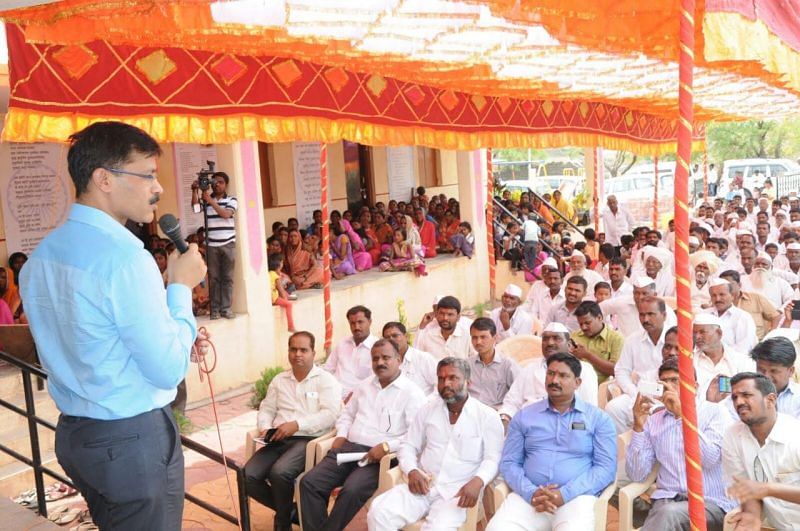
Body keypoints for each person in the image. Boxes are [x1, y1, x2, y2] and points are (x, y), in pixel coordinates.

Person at [20, 121, 207, 530]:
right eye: (147, 175)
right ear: (103, 179)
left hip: (79, 436)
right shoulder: (125, 259)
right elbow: (167, 369)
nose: (158, 188)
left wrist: (175, 321)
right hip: (130, 441)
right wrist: (180, 288)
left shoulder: (41, 257)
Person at [299, 340, 426, 531]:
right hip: (348, 449)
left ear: (399, 359)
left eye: (386, 358)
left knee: (351, 490)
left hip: (379, 458)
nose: (380, 362)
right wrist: (341, 435)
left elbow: (415, 435)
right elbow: (347, 414)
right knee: (309, 483)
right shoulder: (364, 385)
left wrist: (387, 447)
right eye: (375, 358)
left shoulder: (412, 393)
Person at [367, 357, 504, 530]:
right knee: (378, 513)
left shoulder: (487, 416)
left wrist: (478, 481)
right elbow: (408, 445)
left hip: (457, 493)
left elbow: (493, 459)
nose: (446, 384)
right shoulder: (428, 409)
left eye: (453, 378)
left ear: (468, 382)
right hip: (423, 485)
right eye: (441, 378)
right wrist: (412, 470)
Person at [488, 352, 616, 530]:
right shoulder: (524, 416)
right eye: (551, 373)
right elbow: (509, 463)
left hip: (576, 498)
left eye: (563, 375)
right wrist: (531, 492)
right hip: (529, 498)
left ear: (577, 383)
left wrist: (564, 494)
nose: (554, 380)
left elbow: (605, 468)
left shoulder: (598, 419)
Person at [244, 332, 342, 531]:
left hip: (308, 439)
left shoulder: (325, 380)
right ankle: (290, 512)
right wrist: (265, 427)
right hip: (277, 438)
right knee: (247, 475)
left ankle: (282, 523)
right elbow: (267, 409)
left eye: (303, 350)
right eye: (293, 349)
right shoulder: (280, 380)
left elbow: (330, 415)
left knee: (280, 473)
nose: (298, 354)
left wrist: (297, 424)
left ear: (313, 352)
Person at [627, 359, 735, 531]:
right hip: (667, 500)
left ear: (695, 387)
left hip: (709, 502)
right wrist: (638, 427)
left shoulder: (715, 412)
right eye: (664, 382)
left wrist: (681, 417)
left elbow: (710, 459)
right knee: (666, 513)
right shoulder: (653, 420)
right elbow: (637, 475)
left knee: (668, 514)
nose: (668, 387)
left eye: (675, 381)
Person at [722, 373, 800, 530]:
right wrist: (752, 515)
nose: (739, 402)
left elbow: (758, 489)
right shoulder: (733, 435)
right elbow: (745, 488)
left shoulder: (795, 435)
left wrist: (768, 489)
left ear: (770, 400)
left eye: (746, 395)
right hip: (777, 524)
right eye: (735, 397)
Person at [499, 323, 599, 427]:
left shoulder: (585, 370)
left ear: (569, 345)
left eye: (556, 338)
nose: (550, 343)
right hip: (527, 427)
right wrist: (504, 420)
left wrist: (567, 430)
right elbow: (511, 403)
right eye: (545, 339)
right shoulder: (529, 368)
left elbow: (589, 415)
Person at [606, 297, 670, 433]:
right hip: (639, 393)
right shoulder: (632, 340)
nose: (645, 319)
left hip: (668, 395)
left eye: (651, 314)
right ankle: (628, 443)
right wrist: (633, 392)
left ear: (664, 316)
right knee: (614, 408)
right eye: (642, 315)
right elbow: (621, 371)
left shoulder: (674, 339)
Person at [192, 170, 237, 320]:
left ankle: (226, 308)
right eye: (215, 182)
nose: (217, 185)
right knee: (214, 278)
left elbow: (226, 214)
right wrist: (194, 191)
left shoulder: (231, 199)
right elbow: (195, 209)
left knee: (227, 278)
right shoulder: (206, 200)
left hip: (228, 244)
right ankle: (215, 309)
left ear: (226, 185)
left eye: (221, 182)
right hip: (211, 245)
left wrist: (210, 201)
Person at [322, 305, 379, 399]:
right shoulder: (343, 343)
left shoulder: (377, 348)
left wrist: (352, 398)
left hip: (358, 398)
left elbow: (374, 382)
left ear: (370, 322)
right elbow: (328, 370)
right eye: (352, 323)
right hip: (332, 394)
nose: (356, 327)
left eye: (360, 322)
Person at [467, 318, 520, 409]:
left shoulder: (508, 365)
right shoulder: (467, 365)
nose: (478, 342)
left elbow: (519, 393)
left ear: (495, 338)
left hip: (496, 413)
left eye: (483, 337)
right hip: (471, 411)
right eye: (474, 338)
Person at [570, 301, 624, 384]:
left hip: (602, 387)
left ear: (599, 318)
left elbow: (616, 371)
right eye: (581, 324)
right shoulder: (574, 336)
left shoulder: (616, 339)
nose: (584, 327)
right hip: (575, 384)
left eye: (587, 323)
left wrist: (588, 355)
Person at [382, 321, 438, 395]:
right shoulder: (384, 363)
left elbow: (439, 384)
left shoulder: (423, 358)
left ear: (406, 337)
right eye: (387, 338)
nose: (391, 340)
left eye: (395, 335)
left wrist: (427, 401)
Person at [705, 278, 758, 352]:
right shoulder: (704, 315)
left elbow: (745, 347)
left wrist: (721, 356)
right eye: (714, 295)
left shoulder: (743, 317)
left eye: (722, 294)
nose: (717, 299)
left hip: (734, 358)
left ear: (732, 296)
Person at [268, 253, 296, 332]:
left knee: (287, 294)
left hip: (270, 296)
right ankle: (291, 327)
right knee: (289, 305)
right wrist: (285, 300)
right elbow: (280, 290)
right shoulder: (276, 276)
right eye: (282, 262)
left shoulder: (269, 273)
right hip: (273, 298)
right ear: (279, 264)